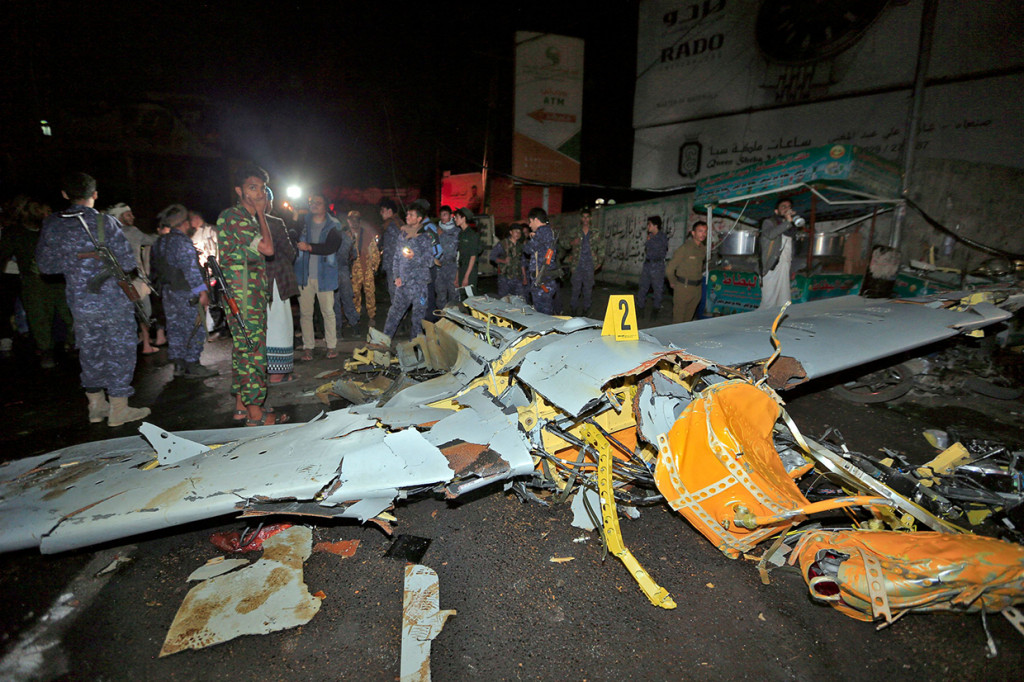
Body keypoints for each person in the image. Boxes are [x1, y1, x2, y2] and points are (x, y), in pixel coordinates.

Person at [35, 172, 151, 426]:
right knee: (120, 350)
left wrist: (74, 258)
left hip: (80, 301)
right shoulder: (105, 222)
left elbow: (45, 265)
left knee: (90, 350)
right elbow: (128, 261)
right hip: (113, 301)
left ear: (65, 195)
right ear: (95, 194)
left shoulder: (53, 224)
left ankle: (96, 406)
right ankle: (119, 409)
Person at [216, 163, 288, 426]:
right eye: (252, 188)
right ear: (239, 190)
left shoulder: (244, 218)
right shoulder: (235, 217)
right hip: (242, 296)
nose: (259, 193)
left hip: (249, 294)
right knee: (253, 350)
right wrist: (261, 214)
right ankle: (256, 415)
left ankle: (240, 407)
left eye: (262, 188)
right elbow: (268, 249)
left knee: (243, 349)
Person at [0, 199, 74, 368]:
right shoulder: (15, 233)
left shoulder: (53, 230)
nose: (48, 215)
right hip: (33, 281)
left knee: (69, 313)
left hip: (59, 278)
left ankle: (73, 345)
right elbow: (3, 254)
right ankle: (45, 349)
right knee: (38, 316)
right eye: (45, 211)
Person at [150, 203, 216, 378]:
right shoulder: (182, 242)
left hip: (169, 293)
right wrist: (202, 292)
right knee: (195, 328)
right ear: (183, 223)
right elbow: (191, 271)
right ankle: (193, 365)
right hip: (187, 293)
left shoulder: (160, 242)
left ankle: (179, 365)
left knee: (175, 329)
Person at [107, 202, 163, 353]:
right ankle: (146, 345)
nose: (132, 216)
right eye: (128, 214)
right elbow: (151, 240)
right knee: (145, 313)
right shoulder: (132, 231)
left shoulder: (108, 234)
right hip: (135, 280)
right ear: (119, 216)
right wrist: (164, 234)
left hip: (115, 281)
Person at [294, 192, 343, 361]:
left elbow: (331, 247)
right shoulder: (303, 222)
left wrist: (309, 247)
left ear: (326, 206)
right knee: (305, 313)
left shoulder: (334, 225)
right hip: (304, 275)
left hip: (325, 275)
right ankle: (308, 347)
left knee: (328, 312)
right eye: (311, 202)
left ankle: (331, 345)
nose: (313, 205)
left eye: (318, 202)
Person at [383, 203, 434, 341]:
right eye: (407, 214)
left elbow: (430, 261)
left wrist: (414, 256)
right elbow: (396, 257)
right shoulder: (402, 235)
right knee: (394, 314)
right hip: (403, 285)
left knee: (418, 319)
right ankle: (383, 342)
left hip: (419, 285)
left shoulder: (425, 238)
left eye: (411, 215)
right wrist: (396, 276)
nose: (407, 217)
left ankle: (416, 348)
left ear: (419, 219)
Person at [263, 188, 299, 382]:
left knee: (262, 328)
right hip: (276, 283)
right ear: (268, 202)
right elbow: (289, 252)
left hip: (254, 285)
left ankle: (262, 371)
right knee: (279, 326)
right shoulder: (275, 223)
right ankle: (277, 373)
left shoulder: (242, 223)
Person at [190, 210, 227, 338]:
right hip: (203, 272)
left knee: (218, 299)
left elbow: (221, 247)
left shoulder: (212, 230)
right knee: (210, 300)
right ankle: (212, 326)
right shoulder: (192, 235)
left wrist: (219, 265)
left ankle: (221, 327)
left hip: (217, 269)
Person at [759, 198, 800, 309]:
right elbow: (771, 234)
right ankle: (759, 323)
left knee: (783, 298)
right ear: (776, 211)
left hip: (785, 266)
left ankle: (778, 322)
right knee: (769, 300)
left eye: (789, 207)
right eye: (783, 207)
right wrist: (787, 221)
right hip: (771, 266)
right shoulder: (768, 223)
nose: (787, 209)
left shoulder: (791, 226)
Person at [564, 208, 604, 316]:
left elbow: (602, 247)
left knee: (588, 289)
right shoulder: (575, 231)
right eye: (583, 217)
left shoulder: (596, 232)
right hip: (577, 264)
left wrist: (599, 261)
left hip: (590, 264)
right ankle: (573, 310)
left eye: (587, 217)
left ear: (590, 218)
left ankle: (586, 310)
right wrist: (573, 242)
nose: (585, 219)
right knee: (575, 289)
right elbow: (564, 244)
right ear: (581, 219)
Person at [667, 220, 708, 323]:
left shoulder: (702, 249)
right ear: (693, 233)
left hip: (697, 289)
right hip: (683, 289)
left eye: (705, 231)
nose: (703, 234)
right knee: (678, 320)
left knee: (688, 320)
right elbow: (669, 268)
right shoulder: (685, 248)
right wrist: (672, 282)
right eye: (700, 231)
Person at [522, 207, 559, 314]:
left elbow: (527, 249)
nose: (529, 225)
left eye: (530, 222)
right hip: (547, 278)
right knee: (546, 309)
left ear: (536, 220)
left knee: (542, 313)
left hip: (542, 280)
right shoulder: (549, 231)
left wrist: (531, 239)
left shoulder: (541, 232)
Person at [348, 210, 380, 325]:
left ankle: (371, 316)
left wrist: (374, 268)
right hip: (353, 271)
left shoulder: (367, 234)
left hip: (367, 269)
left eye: (356, 220)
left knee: (370, 293)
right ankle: (356, 316)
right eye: (352, 220)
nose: (354, 222)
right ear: (348, 221)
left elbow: (375, 252)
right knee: (355, 294)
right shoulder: (346, 235)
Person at [637, 215, 669, 319]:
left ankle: (656, 309)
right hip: (648, 264)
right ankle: (640, 308)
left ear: (656, 226)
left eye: (649, 224)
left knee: (657, 290)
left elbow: (659, 251)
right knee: (643, 287)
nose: (648, 227)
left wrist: (650, 240)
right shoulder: (650, 236)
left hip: (657, 266)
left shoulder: (662, 237)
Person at [334, 212, 359, 339]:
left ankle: (338, 331)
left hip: (332, 272)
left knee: (335, 303)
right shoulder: (348, 237)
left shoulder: (330, 236)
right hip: (344, 271)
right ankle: (355, 328)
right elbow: (354, 255)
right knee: (348, 300)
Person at [434, 205, 460, 309]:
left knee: (454, 294)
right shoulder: (436, 230)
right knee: (440, 294)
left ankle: (454, 318)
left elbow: (454, 247)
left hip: (452, 267)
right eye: (441, 215)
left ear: (450, 216)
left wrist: (442, 235)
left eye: (445, 215)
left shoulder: (457, 231)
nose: (443, 217)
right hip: (440, 267)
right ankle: (441, 318)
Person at [489, 223, 524, 298]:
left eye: (519, 232)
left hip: (517, 278)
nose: (518, 234)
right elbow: (492, 256)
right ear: (511, 232)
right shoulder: (503, 244)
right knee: (504, 300)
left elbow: (522, 262)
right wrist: (503, 261)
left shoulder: (520, 246)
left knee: (519, 299)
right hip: (505, 277)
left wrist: (524, 277)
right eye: (516, 231)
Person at [378, 198, 402, 300]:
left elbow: (395, 246)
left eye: (382, 210)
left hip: (394, 264)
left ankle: (398, 313)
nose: (380, 213)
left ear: (389, 211)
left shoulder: (391, 226)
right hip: (397, 263)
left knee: (394, 290)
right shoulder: (399, 223)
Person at [456, 207, 483, 292]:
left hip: (469, 271)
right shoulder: (460, 234)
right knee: (461, 297)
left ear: (463, 218)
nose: (455, 219)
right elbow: (459, 256)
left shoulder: (472, 235)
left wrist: (466, 277)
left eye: (457, 217)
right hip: (461, 269)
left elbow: (473, 257)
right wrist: (457, 277)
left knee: (470, 298)